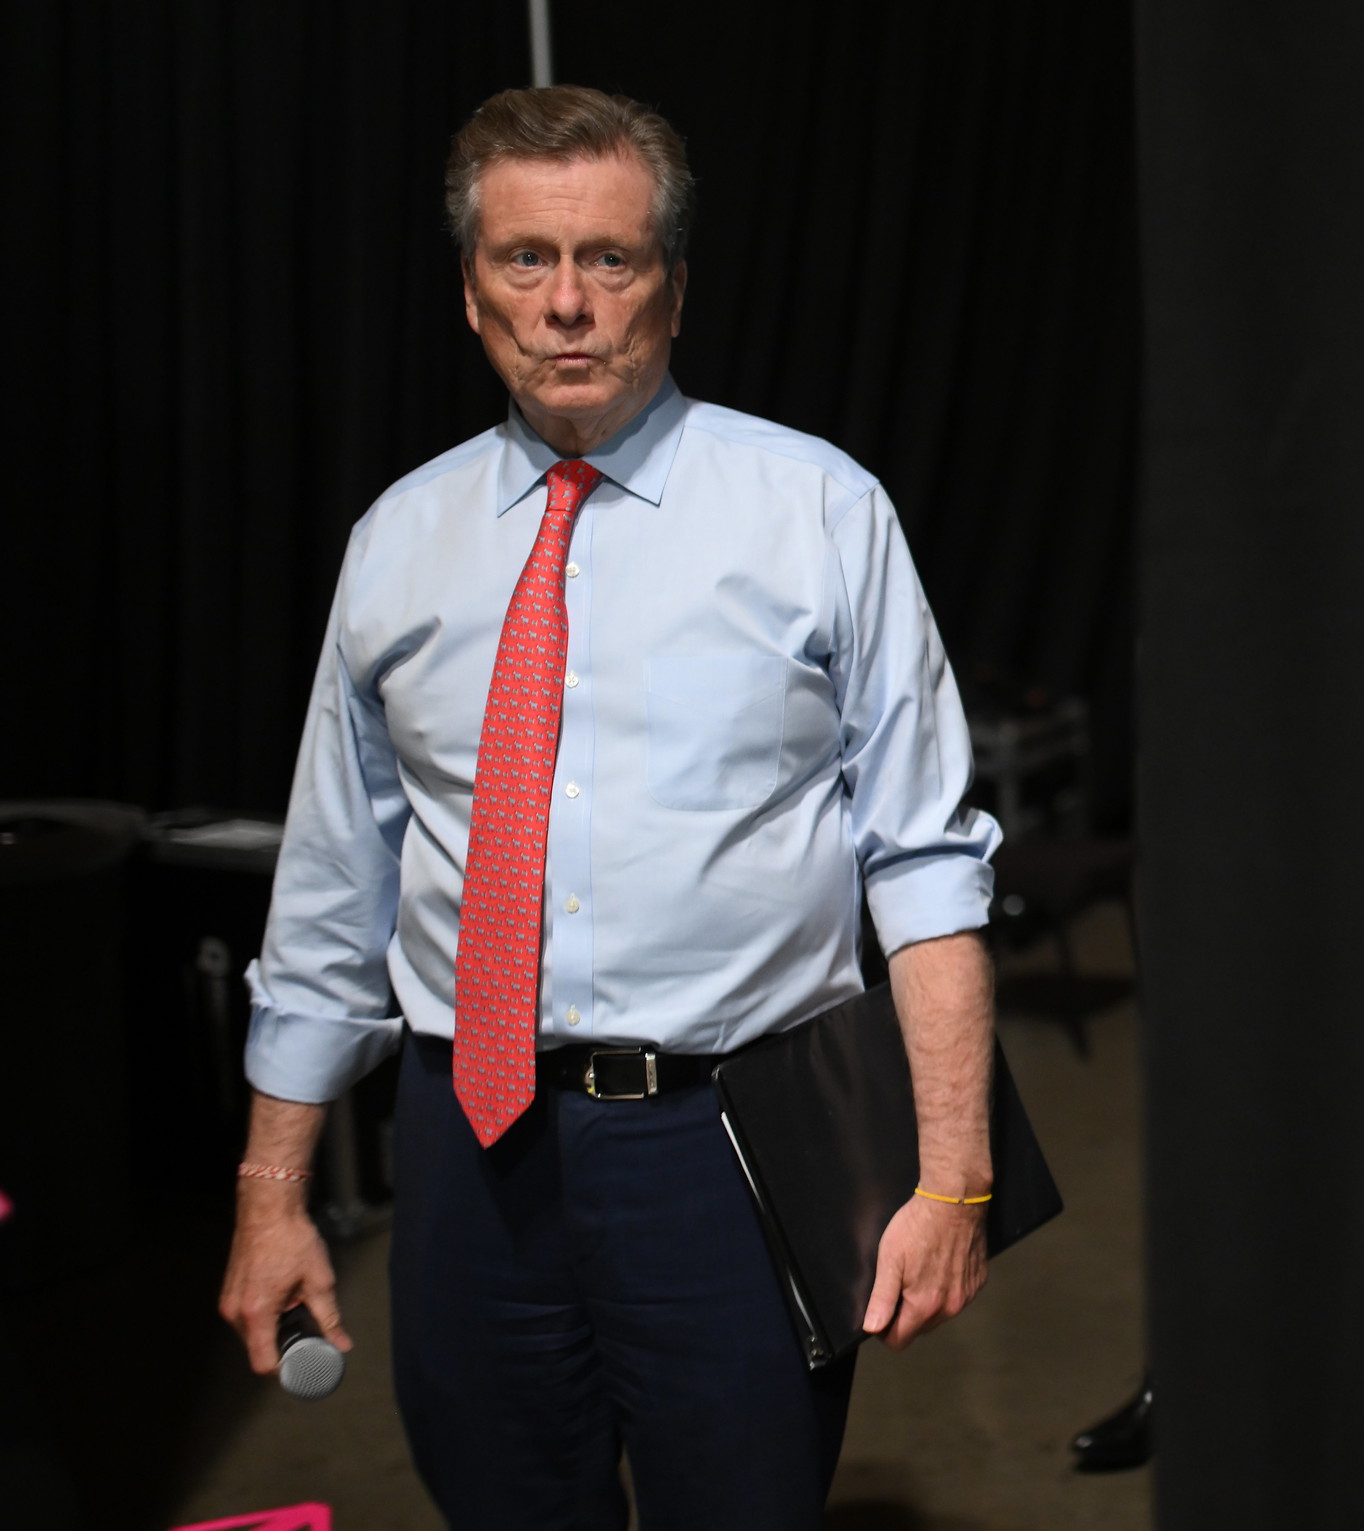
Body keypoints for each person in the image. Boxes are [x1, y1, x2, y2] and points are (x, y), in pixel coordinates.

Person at [217, 85, 1001, 1529]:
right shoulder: (397, 543)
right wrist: (273, 1192)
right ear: (471, 295)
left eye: (611, 261)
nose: (567, 303)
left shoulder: (819, 513)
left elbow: (929, 865)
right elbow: (336, 890)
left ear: (675, 288)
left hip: (730, 1146)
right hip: (467, 1153)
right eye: (526, 259)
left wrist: (954, 1180)